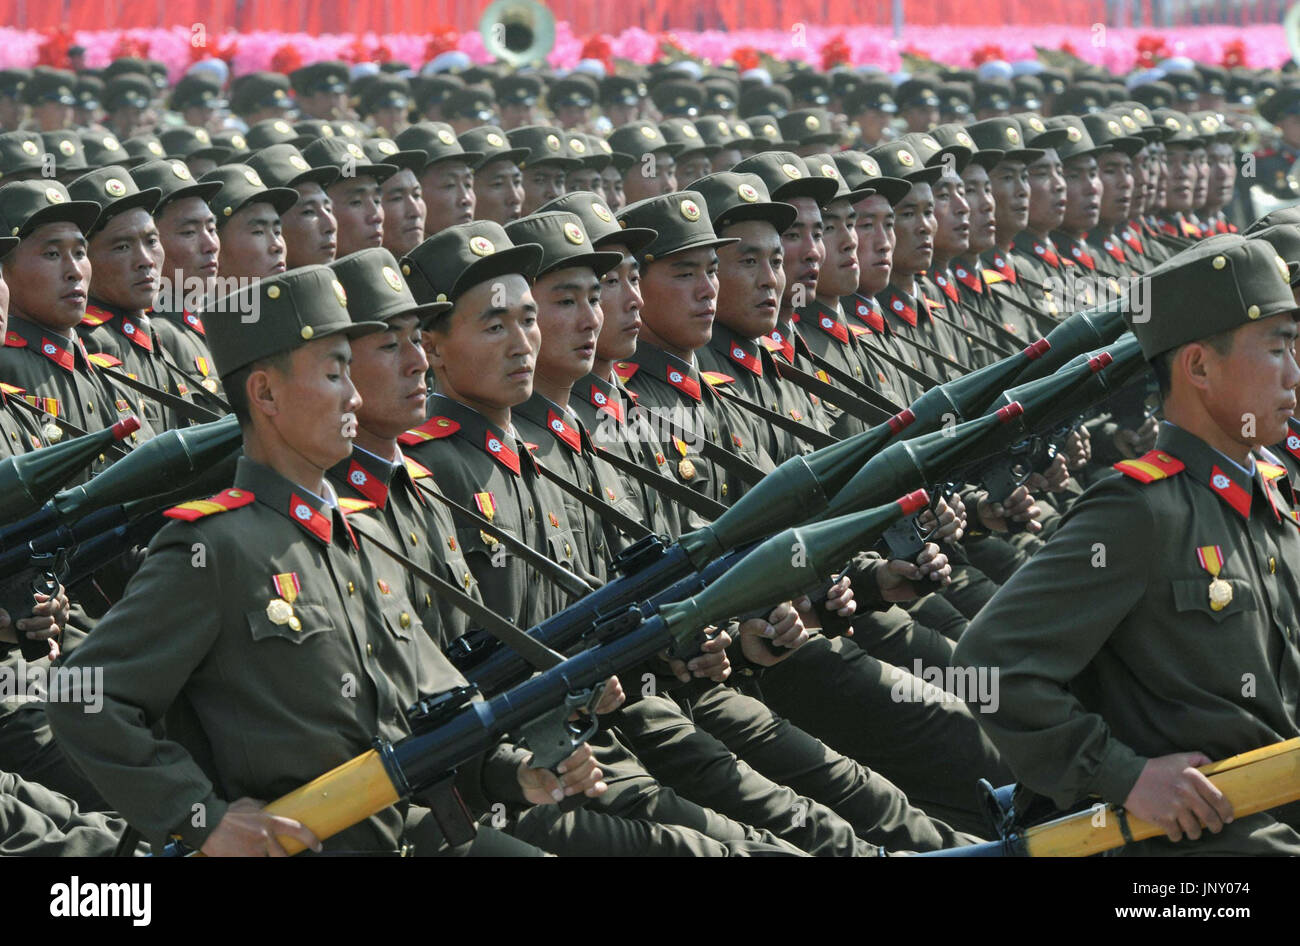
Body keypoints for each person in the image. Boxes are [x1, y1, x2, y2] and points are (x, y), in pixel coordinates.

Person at [46, 264, 603, 856]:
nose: (355, 396)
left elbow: (430, 706)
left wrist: (516, 773)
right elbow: (84, 696)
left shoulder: (361, 530)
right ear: (264, 393)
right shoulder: (215, 547)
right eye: (335, 373)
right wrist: (199, 819)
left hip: (404, 830)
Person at [954, 234, 1300, 855]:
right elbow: (989, 665)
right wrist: (1126, 776)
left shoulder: (1271, 502)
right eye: (1277, 350)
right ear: (1197, 366)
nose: (1295, 374)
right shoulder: (1141, 510)